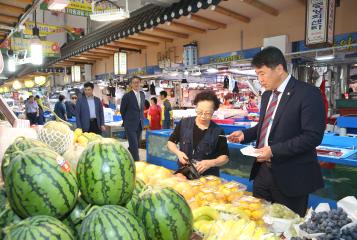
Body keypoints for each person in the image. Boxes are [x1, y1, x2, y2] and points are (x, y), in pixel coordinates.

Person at [228, 46, 325, 217]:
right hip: (262, 172)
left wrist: (273, 151)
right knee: (260, 220)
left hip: (292, 176)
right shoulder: (267, 96)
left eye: (262, 73)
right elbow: (265, 125)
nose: (259, 79)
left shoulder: (308, 94)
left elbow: (313, 136)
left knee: (288, 225)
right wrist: (245, 134)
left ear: (279, 68)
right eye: (257, 74)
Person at [167, 91, 229, 177]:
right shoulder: (184, 123)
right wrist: (178, 153)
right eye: (199, 112)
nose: (203, 116)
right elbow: (171, 142)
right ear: (195, 107)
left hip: (208, 178)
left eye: (207, 113)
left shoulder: (218, 131)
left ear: (214, 110)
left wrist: (211, 163)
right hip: (184, 174)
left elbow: (225, 157)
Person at [120, 76, 145, 161]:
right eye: (134, 82)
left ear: (140, 83)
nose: (136, 84)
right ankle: (136, 162)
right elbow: (122, 110)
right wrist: (127, 121)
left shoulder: (142, 94)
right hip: (130, 125)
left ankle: (126, 158)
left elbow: (141, 109)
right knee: (134, 145)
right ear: (131, 84)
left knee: (135, 144)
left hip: (140, 124)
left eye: (138, 82)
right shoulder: (127, 96)